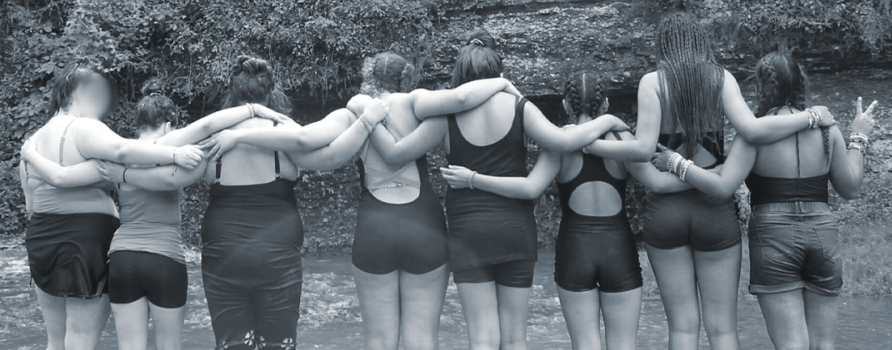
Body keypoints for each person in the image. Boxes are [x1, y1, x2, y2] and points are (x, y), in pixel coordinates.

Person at [201, 51, 520, 350]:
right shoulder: (419, 103)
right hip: (424, 226)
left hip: (374, 229)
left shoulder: (353, 110)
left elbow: (309, 141)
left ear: (368, 77)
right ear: (405, 77)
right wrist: (501, 82)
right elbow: (463, 98)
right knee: (422, 339)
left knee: (379, 342)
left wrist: (242, 134)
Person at [576, 13, 837, 350]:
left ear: (664, 45)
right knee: (723, 330)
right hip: (714, 210)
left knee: (683, 330)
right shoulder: (720, 77)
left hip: (666, 214)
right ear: (700, 42)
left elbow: (642, 150)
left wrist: (589, 143)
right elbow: (753, 130)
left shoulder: (652, 82)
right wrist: (812, 115)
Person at [364, 31, 629, 350]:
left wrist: (364, 116)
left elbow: (396, 154)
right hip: (515, 230)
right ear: (497, 72)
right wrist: (609, 120)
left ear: (461, 75)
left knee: (482, 339)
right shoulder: (519, 106)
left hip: (469, 233)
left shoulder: (446, 116)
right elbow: (563, 142)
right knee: (516, 338)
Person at [19, 78, 291, 350]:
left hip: (122, 258)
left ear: (137, 124)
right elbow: (207, 127)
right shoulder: (177, 148)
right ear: (169, 125)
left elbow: (62, 177)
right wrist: (254, 110)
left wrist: (31, 155)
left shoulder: (118, 156)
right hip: (165, 257)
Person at [440, 71, 696, 350]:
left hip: (575, 250)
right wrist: (708, 179)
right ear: (606, 104)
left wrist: (473, 179)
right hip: (618, 248)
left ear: (565, 105)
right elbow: (658, 183)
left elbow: (530, 188)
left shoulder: (559, 143)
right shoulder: (624, 139)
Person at [652, 52, 876, 350]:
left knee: (791, 344)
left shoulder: (754, 134)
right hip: (823, 233)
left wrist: (676, 162)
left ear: (760, 88)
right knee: (823, 344)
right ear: (801, 83)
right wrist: (858, 137)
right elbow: (850, 188)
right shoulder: (827, 129)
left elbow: (722, 187)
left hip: (774, 234)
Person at [179, 55, 388, 350]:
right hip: (277, 248)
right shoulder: (285, 134)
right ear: (270, 92)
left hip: (223, 249)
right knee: (278, 344)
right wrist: (365, 122)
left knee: (232, 344)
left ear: (231, 91)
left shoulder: (213, 137)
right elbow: (332, 157)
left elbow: (170, 163)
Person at [17, 63, 203, 350]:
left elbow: (31, 206)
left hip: (41, 238)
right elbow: (123, 152)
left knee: (55, 340)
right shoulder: (84, 127)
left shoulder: (33, 143)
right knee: (81, 337)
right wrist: (175, 152)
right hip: (85, 241)